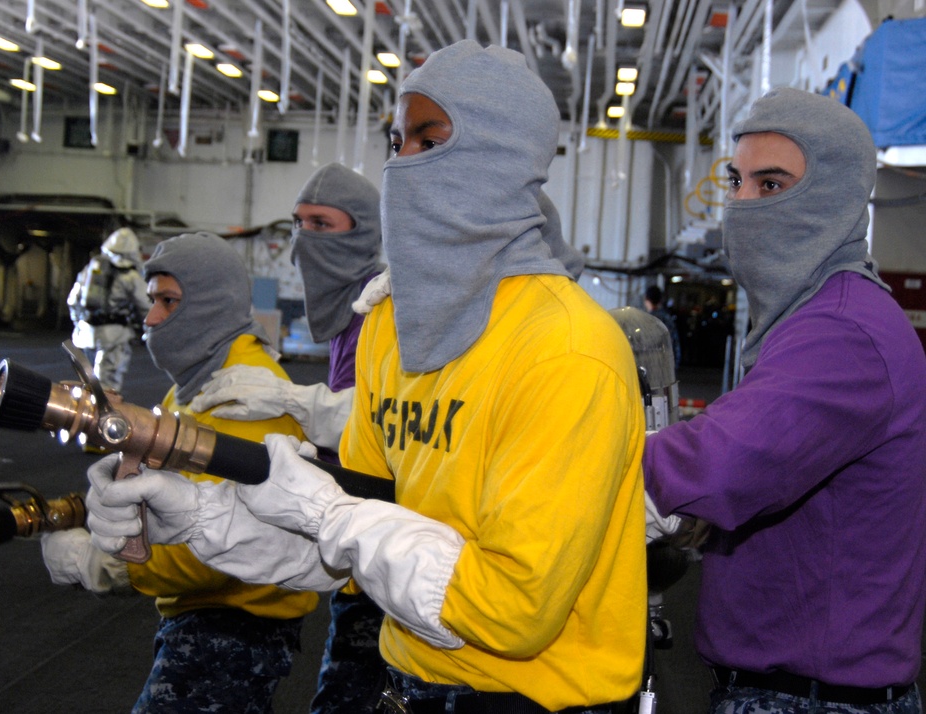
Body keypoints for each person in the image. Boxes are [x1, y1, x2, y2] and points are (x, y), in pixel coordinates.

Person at [85, 40, 648, 713]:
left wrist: (324, 510)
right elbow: (349, 540)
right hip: (407, 684)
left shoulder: (567, 349)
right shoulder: (389, 325)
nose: (400, 162)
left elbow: (512, 609)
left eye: (429, 139)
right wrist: (204, 520)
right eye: (396, 138)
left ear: (501, 154)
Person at [643, 87, 926, 714]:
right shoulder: (809, 317)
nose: (742, 205)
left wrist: (560, 458)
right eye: (736, 182)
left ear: (834, 195)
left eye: (771, 186)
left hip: (812, 699)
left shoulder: (842, 330)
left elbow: (716, 466)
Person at [42, 231, 324, 713]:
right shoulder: (194, 390)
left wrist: (106, 564)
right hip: (204, 620)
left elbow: (223, 545)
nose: (151, 319)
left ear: (211, 304)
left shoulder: (247, 400)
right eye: (153, 301)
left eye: (169, 302)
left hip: (234, 629)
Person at [191, 162, 389, 713]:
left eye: (323, 223)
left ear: (365, 233)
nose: (305, 240)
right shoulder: (350, 322)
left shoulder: (381, 316)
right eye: (299, 223)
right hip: (361, 557)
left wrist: (292, 403)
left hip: (390, 558)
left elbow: (392, 424)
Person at [67, 227, 152, 394]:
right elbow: (146, 306)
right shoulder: (129, 275)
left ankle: (85, 415)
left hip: (85, 334)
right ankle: (103, 418)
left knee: (87, 382)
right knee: (108, 386)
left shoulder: (91, 268)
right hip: (114, 336)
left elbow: (73, 300)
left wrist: (79, 323)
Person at [643, 284, 680, 369]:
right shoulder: (668, 318)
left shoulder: (645, 320)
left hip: (650, 367)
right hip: (666, 367)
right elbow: (675, 345)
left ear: (646, 299)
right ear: (660, 300)